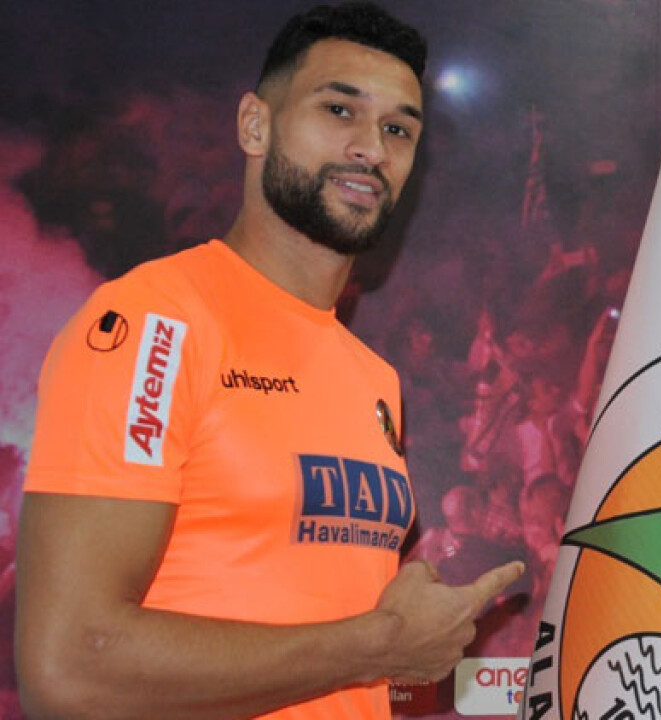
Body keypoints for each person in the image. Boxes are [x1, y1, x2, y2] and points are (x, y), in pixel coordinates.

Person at [15, 4, 522, 720]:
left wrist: (396, 636)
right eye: (339, 110)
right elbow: (69, 668)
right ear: (255, 125)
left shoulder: (373, 378)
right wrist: (378, 645)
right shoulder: (156, 323)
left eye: (398, 129)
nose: (371, 148)